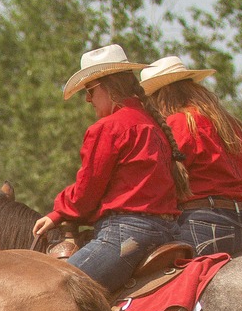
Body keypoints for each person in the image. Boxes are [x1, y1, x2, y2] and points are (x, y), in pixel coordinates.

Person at [35, 44, 186, 293]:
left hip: (126, 235)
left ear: (107, 86)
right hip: (167, 232)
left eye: (89, 90)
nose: (87, 99)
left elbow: (86, 192)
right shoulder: (153, 125)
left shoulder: (109, 127)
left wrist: (58, 212)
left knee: (54, 293)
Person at [140, 55, 242, 256]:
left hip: (203, 223)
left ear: (160, 98)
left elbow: (161, 181)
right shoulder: (233, 126)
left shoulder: (179, 123)